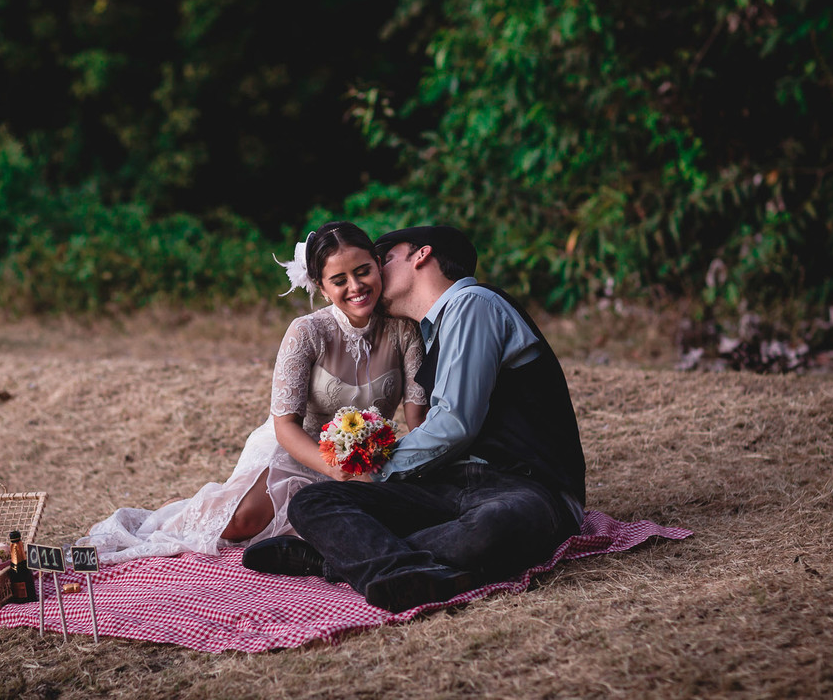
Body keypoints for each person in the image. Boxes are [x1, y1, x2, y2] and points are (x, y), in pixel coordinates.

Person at [243, 225, 586, 613]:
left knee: (497, 523)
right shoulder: (428, 330)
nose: (373, 272)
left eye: (383, 259)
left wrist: (375, 471)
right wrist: (363, 477)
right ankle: (402, 566)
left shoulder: (473, 304)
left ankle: (336, 563)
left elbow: (455, 424)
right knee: (314, 500)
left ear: (420, 255)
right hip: (456, 481)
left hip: (525, 485)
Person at [77, 221, 427, 564]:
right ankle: (187, 508)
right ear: (322, 288)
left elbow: (417, 419)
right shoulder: (306, 331)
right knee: (241, 523)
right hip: (296, 450)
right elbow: (285, 425)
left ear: (378, 265)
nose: (356, 286)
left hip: (366, 461)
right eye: (339, 280)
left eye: (363, 271)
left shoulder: (404, 331)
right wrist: (332, 469)